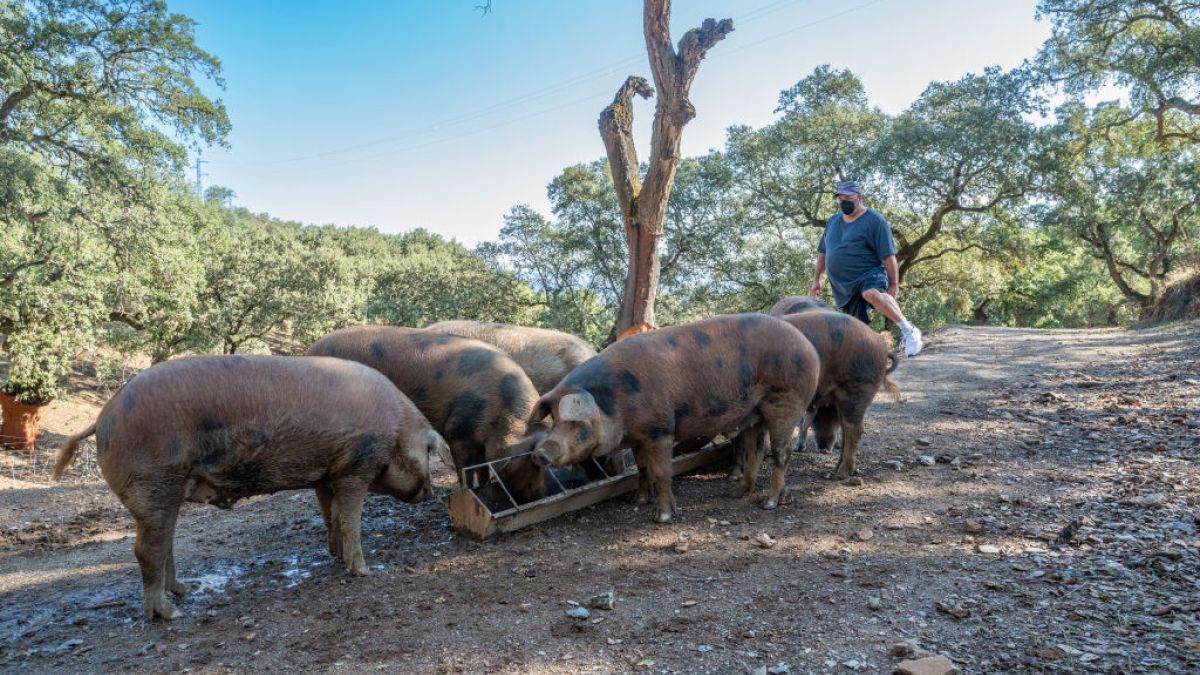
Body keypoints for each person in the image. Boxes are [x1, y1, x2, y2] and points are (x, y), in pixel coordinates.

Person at [810, 180, 923, 356]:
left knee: (870, 293)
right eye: (840, 199)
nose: (843, 202)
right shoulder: (833, 221)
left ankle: (909, 331)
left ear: (859, 197)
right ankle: (872, 355)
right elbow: (823, 252)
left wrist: (894, 284)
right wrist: (816, 279)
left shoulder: (875, 220)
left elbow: (889, 255)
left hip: (870, 274)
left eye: (848, 198)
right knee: (854, 328)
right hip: (844, 286)